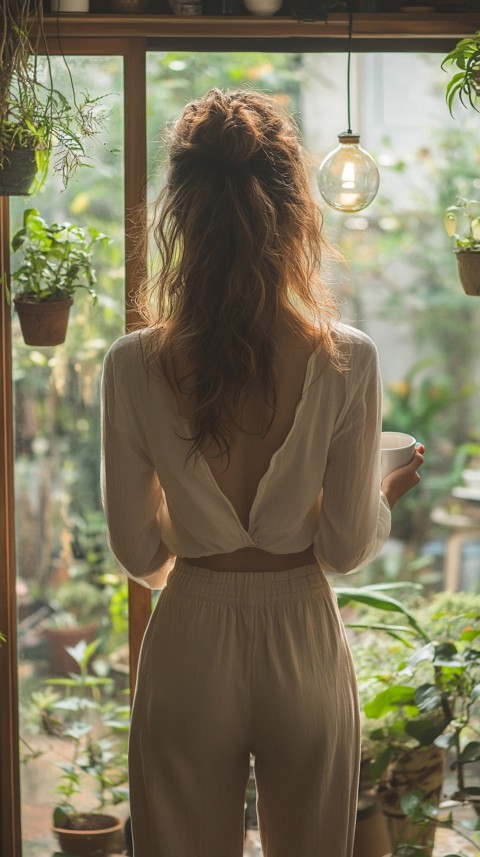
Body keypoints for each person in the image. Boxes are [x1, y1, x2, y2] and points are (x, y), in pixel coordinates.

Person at [100, 88, 424, 857]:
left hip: (189, 642)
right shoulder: (350, 357)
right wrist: (379, 498)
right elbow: (345, 548)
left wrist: (196, 524)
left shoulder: (132, 364)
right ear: (294, 210)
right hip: (301, 642)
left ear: (179, 210)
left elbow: (140, 554)